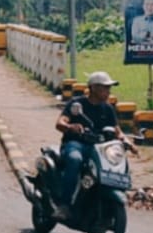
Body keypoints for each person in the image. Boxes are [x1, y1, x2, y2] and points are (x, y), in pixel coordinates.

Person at [55, 71, 135, 206]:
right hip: (76, 144)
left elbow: (117, 131)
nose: (108, 91)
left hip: (100, 148)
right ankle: (64, 205)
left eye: (109, 88)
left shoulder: (108, 108)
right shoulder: (77, 104)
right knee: (75, 160)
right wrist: (70, 127)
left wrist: (127, 142)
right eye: (105, 88)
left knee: (118, 162)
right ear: (93, 88)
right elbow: (60, 123)